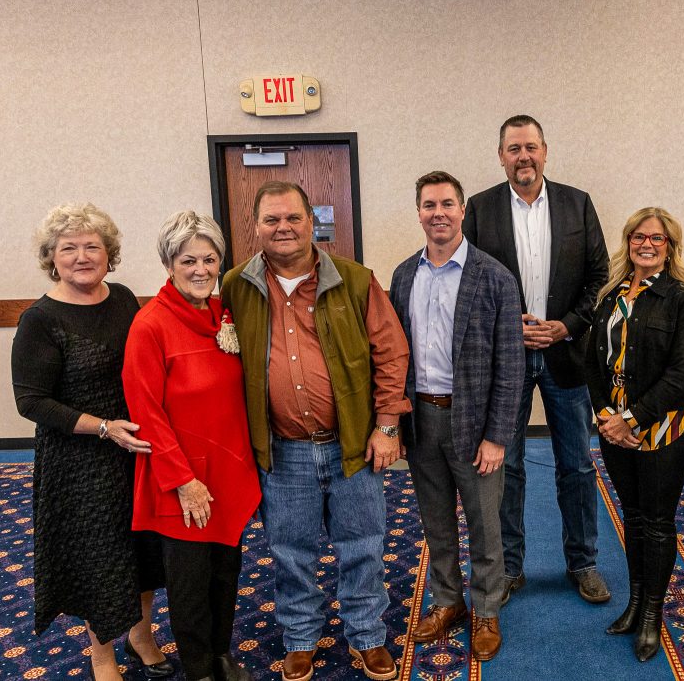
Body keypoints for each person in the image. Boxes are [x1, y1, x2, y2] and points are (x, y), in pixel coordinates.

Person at [221, 181, 411, 681]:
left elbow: (391, 354)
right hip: (282, 452)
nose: (282, 228)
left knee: (364, 545)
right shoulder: (235, 285)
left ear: (312, 222)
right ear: (256, 226)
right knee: (289, 552)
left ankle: (367, 635)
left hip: (352, 444)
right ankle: (301, 637)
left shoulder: (353, 280)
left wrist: (387, 426)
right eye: (271, 220)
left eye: (292, 218)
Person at [11, 203, 170, 681]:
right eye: (69, 249)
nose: (82, 256)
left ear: (108, 253)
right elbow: (31, 402)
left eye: (92, 247)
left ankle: (141, 635)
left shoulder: (122, 298)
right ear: (52, 258)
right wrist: (102, 426)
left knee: (143, 548)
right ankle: (102, 655)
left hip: (135, 449)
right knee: (99, 557)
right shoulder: (39, 319)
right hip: (80, 460)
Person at [463, 114, 611, 605]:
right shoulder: (480, 210)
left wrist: (565, 325)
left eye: (530, 147)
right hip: (507, 360)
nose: (522, 156)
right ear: (500, 155)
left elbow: (598, 278)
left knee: (577, 465)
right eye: (513, 148)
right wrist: (509, 331)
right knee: (508, 467)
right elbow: (469, 284)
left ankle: (583, 562)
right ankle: (508, 568)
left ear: (545, 151)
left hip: (566, 354)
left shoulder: (577, 204)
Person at [390, 171, 524, 661]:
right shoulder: (404, 275)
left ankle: (486, 608)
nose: (438, 213)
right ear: (419, 212)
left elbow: (511, 365)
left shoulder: (494, 277)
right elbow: (394, 356)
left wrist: (497, 437)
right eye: (429, 204)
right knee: (436, 520)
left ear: (462, 211)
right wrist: (395, 424)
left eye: (447, 203)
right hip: (422, 419)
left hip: (474, 424)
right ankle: (448, 601)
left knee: (486, 524)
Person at [123, 211, 261, 681]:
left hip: (228, 469)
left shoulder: (222, 313)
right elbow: (145, 415)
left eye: (209, 259)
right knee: (189, 583)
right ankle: (200, 670)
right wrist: (183, 482)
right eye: (188, 261)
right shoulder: (150, 325)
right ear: (169, 265)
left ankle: (221, 656)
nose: (201, 269)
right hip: (181, 478)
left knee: (226, 571)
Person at [585, 207, 684, 662]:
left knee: (656, 523)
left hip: (664, 431)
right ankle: (634, 604)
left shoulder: (682, 298)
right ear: (628, 242)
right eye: (638, 236)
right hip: (615, 430)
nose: (646, 244)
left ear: (670, 246)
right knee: (631, 519)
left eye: (657, 238)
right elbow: (592, 363)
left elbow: (680, 376)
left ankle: (653, 613)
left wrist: (629, 418)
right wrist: (604, 415)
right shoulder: (610, 294)